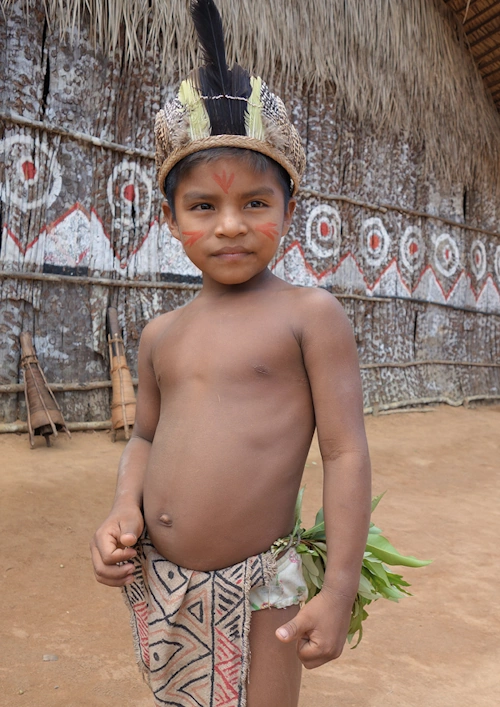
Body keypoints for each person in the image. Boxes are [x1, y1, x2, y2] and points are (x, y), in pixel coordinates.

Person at [90, 2, 371, 706]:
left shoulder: (309, 317)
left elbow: (344, 453)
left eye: (255, 203)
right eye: (204, 208)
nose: (231, 226)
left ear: (288, 207)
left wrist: (338, 586)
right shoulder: (162, 334)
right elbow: (147, 435)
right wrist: (124, 508)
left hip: (266, 579)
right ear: (171, 218)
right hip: (163, 580)